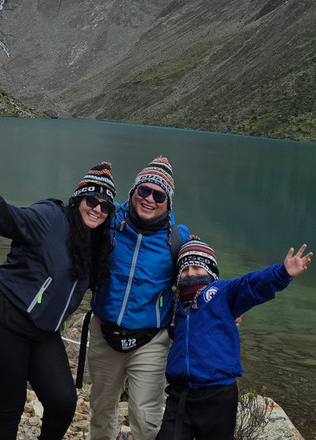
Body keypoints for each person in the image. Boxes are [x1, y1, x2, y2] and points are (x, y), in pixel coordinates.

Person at [0, 154, 117, 440]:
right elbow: (7, 218)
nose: (97, 209)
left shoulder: (97, 244)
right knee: (10, 407)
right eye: (92, 201)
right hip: (0, 319)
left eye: (105, 206)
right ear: (78, 199)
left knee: (63, 402)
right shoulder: (51, 217)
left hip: (43, 331)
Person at [157, 236, 314, 440]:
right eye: (185, 270)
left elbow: (251, 285)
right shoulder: (177, 305)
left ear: (211, 271)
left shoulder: (223, 293)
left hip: (218, 393)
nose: (190, 274)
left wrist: (282, 273)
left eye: (197, 268)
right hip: (181, 394)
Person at [88, 156, 191, 440]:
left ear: (168, 202)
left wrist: (226, 307)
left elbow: (200, 275)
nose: (149, 199)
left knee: (147, 420)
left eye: (159, 195)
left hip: (150, 340)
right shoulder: (108, 221)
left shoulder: (178, 240)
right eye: (143, 191)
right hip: (104, 332)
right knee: (101, 411)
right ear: (133, 192)